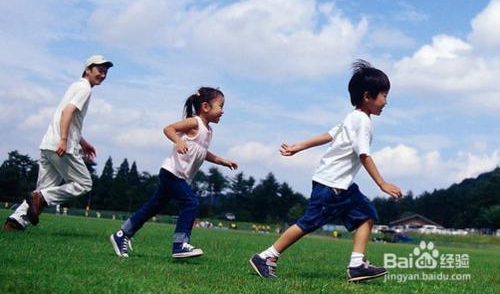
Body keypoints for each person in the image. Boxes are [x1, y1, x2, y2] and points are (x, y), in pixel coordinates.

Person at [249, 60, 402, 283]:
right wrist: (382, 183)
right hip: (331, 185)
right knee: (308, 223)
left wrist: (298, 146)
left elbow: (329, 136)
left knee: (367, 214)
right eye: (384, 95)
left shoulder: (352, 117)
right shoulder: (361, 121)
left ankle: (357, 265)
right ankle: (266, 257)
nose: (386, 101)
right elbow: (364, 155)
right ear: (368, 96)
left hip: (343, 186)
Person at [110, 87, 238, 259]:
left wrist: (222, 161)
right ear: (206, 107)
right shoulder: (194, 123)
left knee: (152, 207)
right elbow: (168, 128)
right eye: (220, 106)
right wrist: (178, 141)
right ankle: (180, 245)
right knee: (190, 203)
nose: (222, 111)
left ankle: (122, 234)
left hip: (179, 176)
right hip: (172, 173)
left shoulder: (208, 131)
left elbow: (201, 151)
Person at [3, 55, 113, 230]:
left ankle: (15, 222)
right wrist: (63, 140)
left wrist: (82, 142)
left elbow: (68, 116)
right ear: (87, 70)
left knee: (44, 189)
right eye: (100, 70)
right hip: (62, 146)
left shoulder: (75, 86)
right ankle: (40, 198)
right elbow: (67, 113)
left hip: (48, 143)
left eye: (106, 72)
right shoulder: (85, 89)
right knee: (84, 184)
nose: (103, 75)